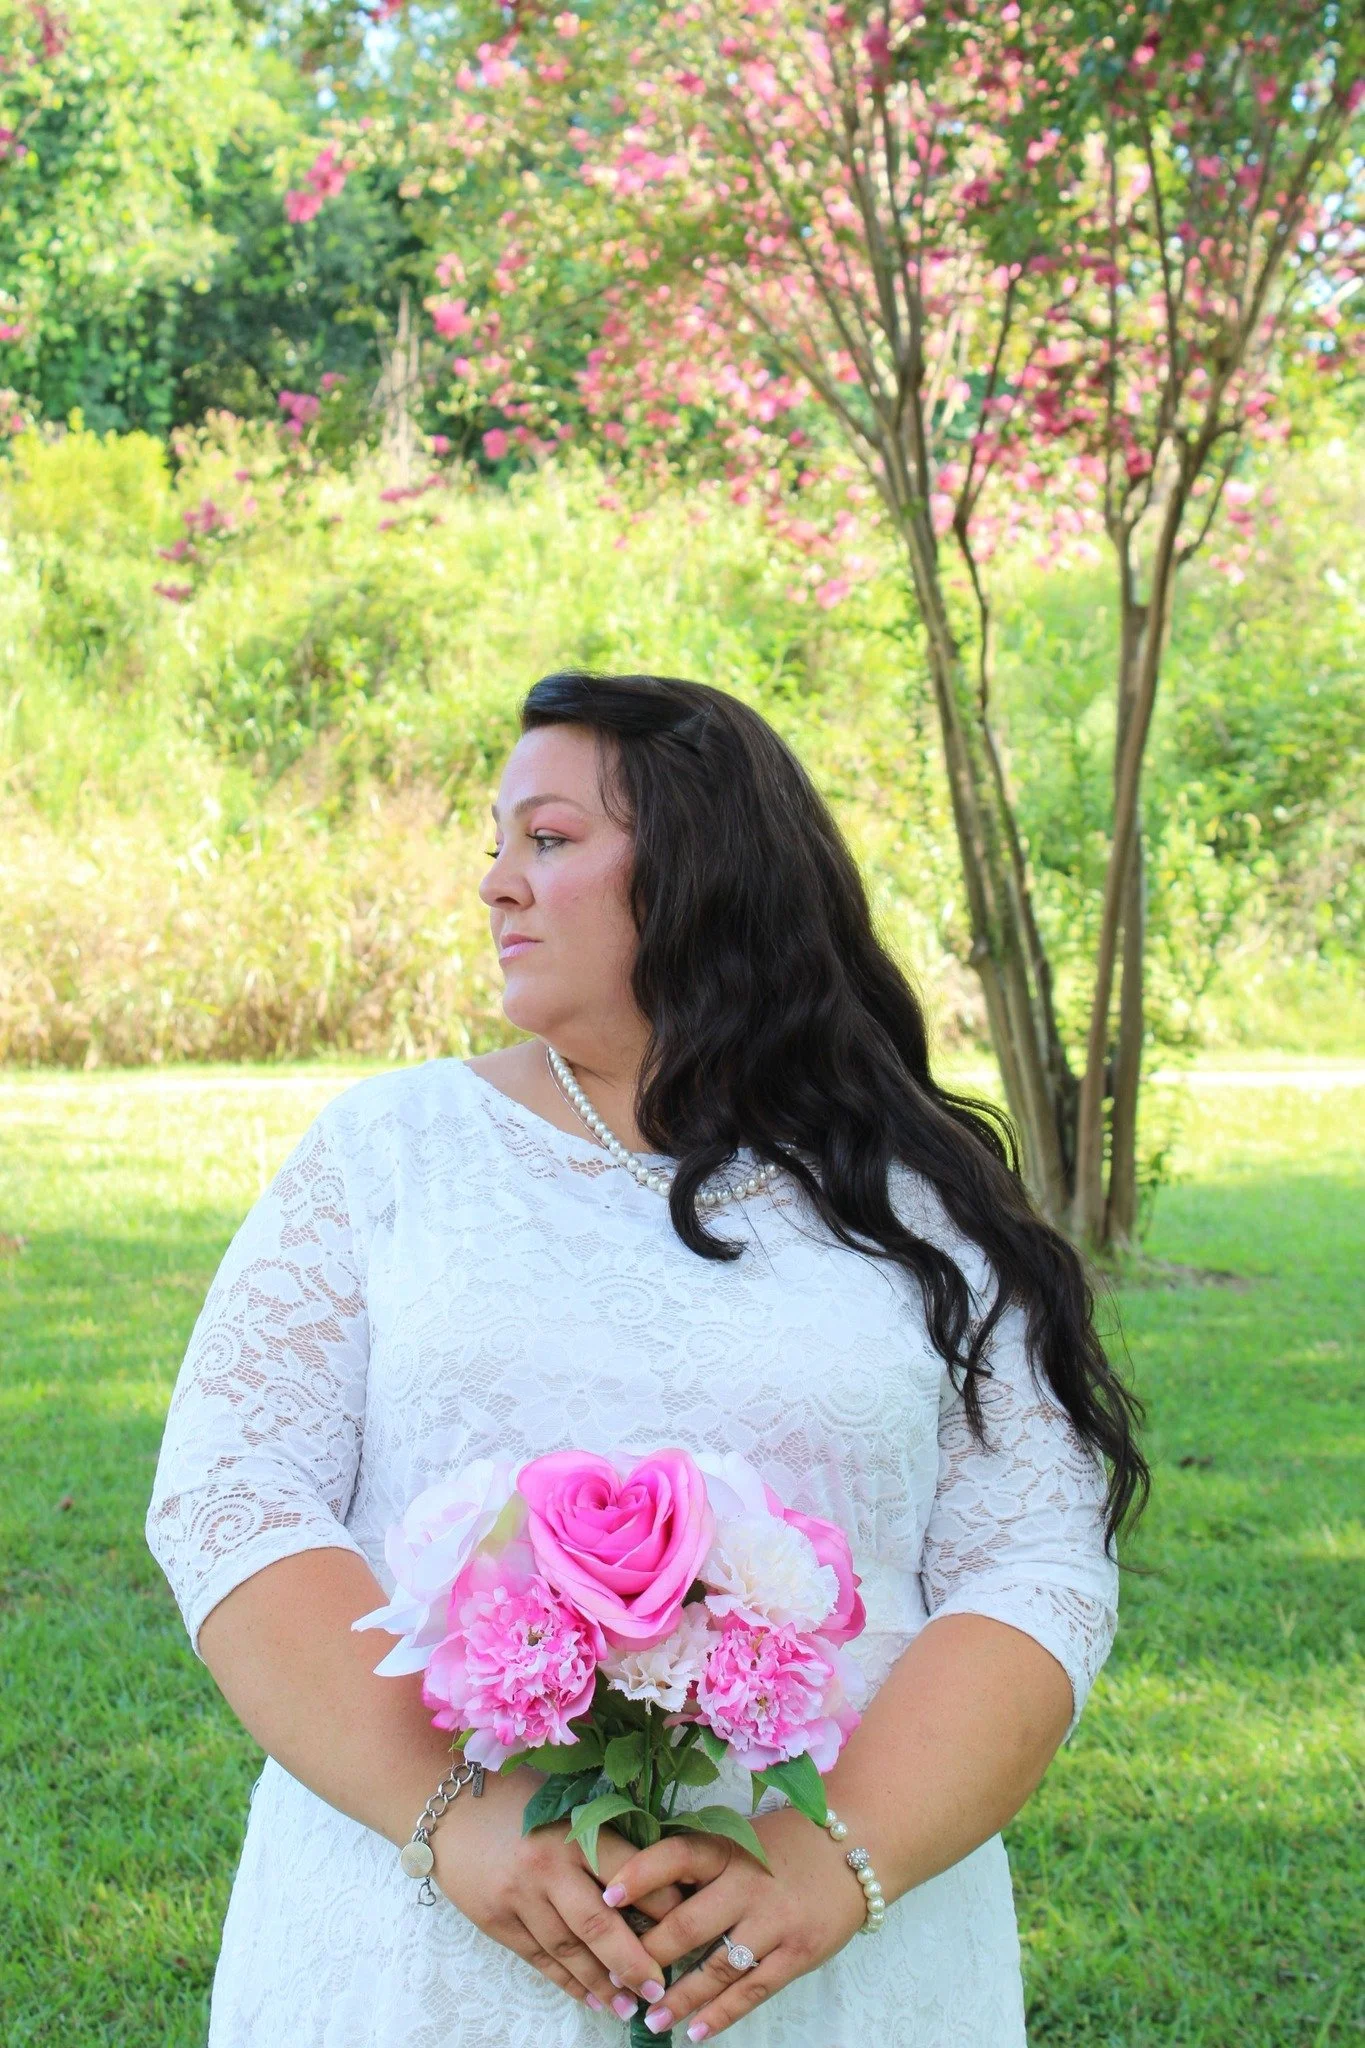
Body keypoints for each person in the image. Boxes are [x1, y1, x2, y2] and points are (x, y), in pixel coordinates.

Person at [146, 669, 1147, 2048]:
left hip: (836, 1961)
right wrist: (458, 1824)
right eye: (496, 845)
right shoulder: (383, 1157)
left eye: (548, 842)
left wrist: (838, 1863)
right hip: (419, 1948)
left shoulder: (922, 1194)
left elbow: (1037, 1559)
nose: (497, 884)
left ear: (704, 868)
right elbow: (231, 1493)